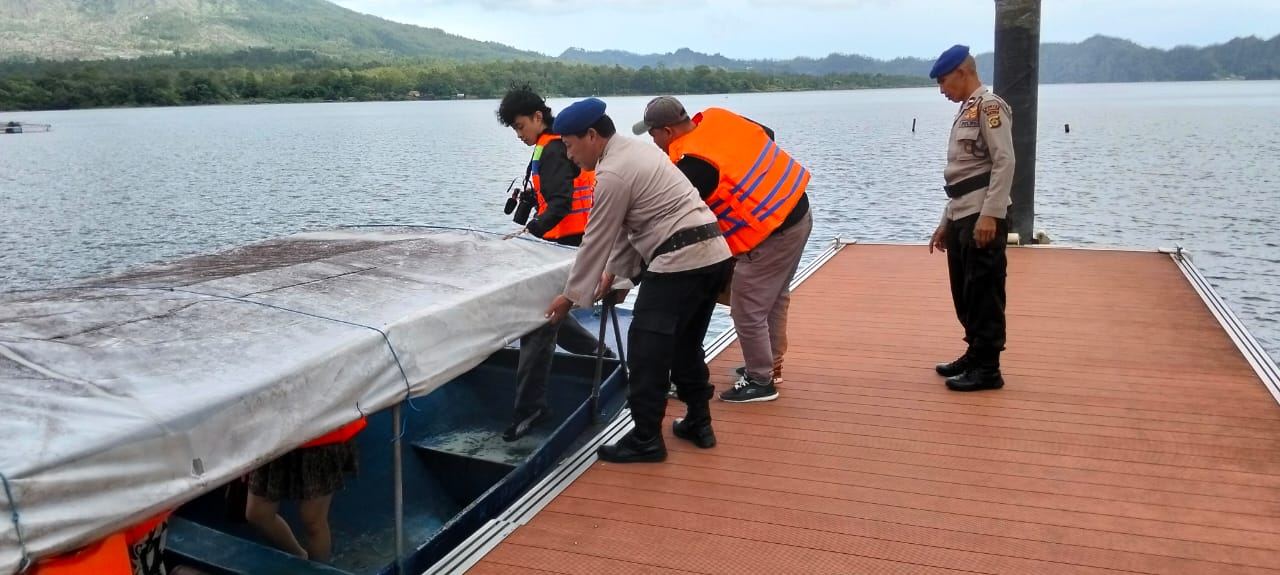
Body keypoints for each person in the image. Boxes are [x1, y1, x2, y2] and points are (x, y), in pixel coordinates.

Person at [543, 98, 732, 463]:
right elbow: (627, 230)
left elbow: (596, 240)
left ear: (592, 135)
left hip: (679, 261)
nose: (568, 155)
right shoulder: (637, 151)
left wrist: (570, 297)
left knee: (646, 352)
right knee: (686, 345)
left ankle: (646, 438)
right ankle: (699, 422)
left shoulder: (612, 173)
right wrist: (617, 280)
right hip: (713, 256)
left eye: (569, 144)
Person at [633, 97, 812, 403]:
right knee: (774, 298)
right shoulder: (717, 118)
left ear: (668, 131)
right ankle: (770, 365)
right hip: (798, 210)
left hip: (772, 233)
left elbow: (674, 216)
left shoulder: (694, 166)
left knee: (747, 309)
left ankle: (760, 380)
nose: (653, 141)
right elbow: (766, 134)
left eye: (653, 134)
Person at [495, 85, 614, 441]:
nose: (519, 135)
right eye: (514, 130)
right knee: (551, 315)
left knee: (539, 322)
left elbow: (561, 202)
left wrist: (528, 231)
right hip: (565, 244)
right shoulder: (552, 145)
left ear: (537, 117)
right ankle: (601, 355)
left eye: (520, 126)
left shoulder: (554, 150)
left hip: (571, 248)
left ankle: (530, 409)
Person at [926, 44, 1014, 392]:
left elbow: (1004, 161)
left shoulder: (990, 107)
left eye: (943, 81)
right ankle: (974, 353)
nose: (941, 90)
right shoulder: (967, 110)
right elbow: (962, 175)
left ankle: (988, 368)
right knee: (965, 291)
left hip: (982, 212)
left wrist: (991, 214)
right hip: (962, 210)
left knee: (984, 291)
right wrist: (945, 222)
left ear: (962, 73)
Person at [244, 417, 364, 562]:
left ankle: (317, 569)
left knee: (312, 520)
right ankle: (301, 558)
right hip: (274, 433)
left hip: (321, 433)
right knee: (258, 513)